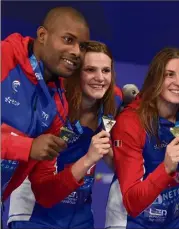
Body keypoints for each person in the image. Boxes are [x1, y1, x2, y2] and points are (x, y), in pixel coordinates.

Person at [8, 41, 121, 229]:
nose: (100, 78)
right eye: (90, 70)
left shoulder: (112, 102)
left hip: (80, 217)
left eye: (106, 71)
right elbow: (45, 192)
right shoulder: (52, 108)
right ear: (75, 73)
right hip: (36, 213)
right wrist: (88, 159)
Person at [1, 6, 90, 202]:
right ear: (42, 35)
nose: (76, 52)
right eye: (68, 40)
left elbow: (44, 192)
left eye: (82, 46)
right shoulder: (4, 57)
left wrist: (87, 162)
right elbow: (29, 148)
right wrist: (27, 147)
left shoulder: (59, 105)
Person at [105, 47, 179, 228]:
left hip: (173, 222)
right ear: (156, 79)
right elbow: (132, 203)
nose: (178, 82)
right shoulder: (131, 121)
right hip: (129, 222)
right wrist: (166, 168)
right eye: (169, 75)